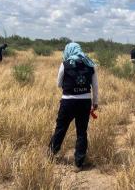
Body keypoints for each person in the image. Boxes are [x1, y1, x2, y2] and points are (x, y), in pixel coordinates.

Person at [49, 42, 98, 172]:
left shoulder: (65, 64)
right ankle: (78, 163)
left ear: (68, 50)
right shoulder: (90, 64)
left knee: (60, 128)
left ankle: (51, 154)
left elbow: (59, 84)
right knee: (82, 132)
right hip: (85, 102)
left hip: (68, 102)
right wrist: (95, 102)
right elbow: (95, 86)